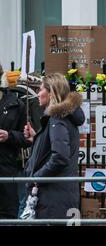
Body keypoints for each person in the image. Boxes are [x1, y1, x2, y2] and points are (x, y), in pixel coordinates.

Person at [24, 73, 85, 219]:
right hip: (60, 196)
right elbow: (56, 148)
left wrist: (36, 177)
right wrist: (35, 139)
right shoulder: (62, 118)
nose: (38, 94)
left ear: (51, 93)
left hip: (53, 198)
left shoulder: (57, 119)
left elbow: (60, 157)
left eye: (40, 90)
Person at [0, 64, 31, 219]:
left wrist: (9, 136)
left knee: (8, 214)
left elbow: (28, 138)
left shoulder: (16, 104)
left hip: (7, 168)